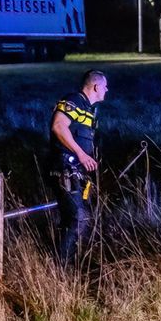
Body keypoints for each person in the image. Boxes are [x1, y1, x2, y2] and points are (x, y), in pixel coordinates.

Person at [48, 69, 108, 263]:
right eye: (105, 86)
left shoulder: (90, 111)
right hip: (65, 168)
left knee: (73, 218)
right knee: (78, 218)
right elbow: (58, 126)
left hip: (77, 172)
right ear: (96, 86)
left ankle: (69, 263)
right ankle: (61, 268)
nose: (107, 90)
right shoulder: (74, 100)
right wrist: (81, 155)